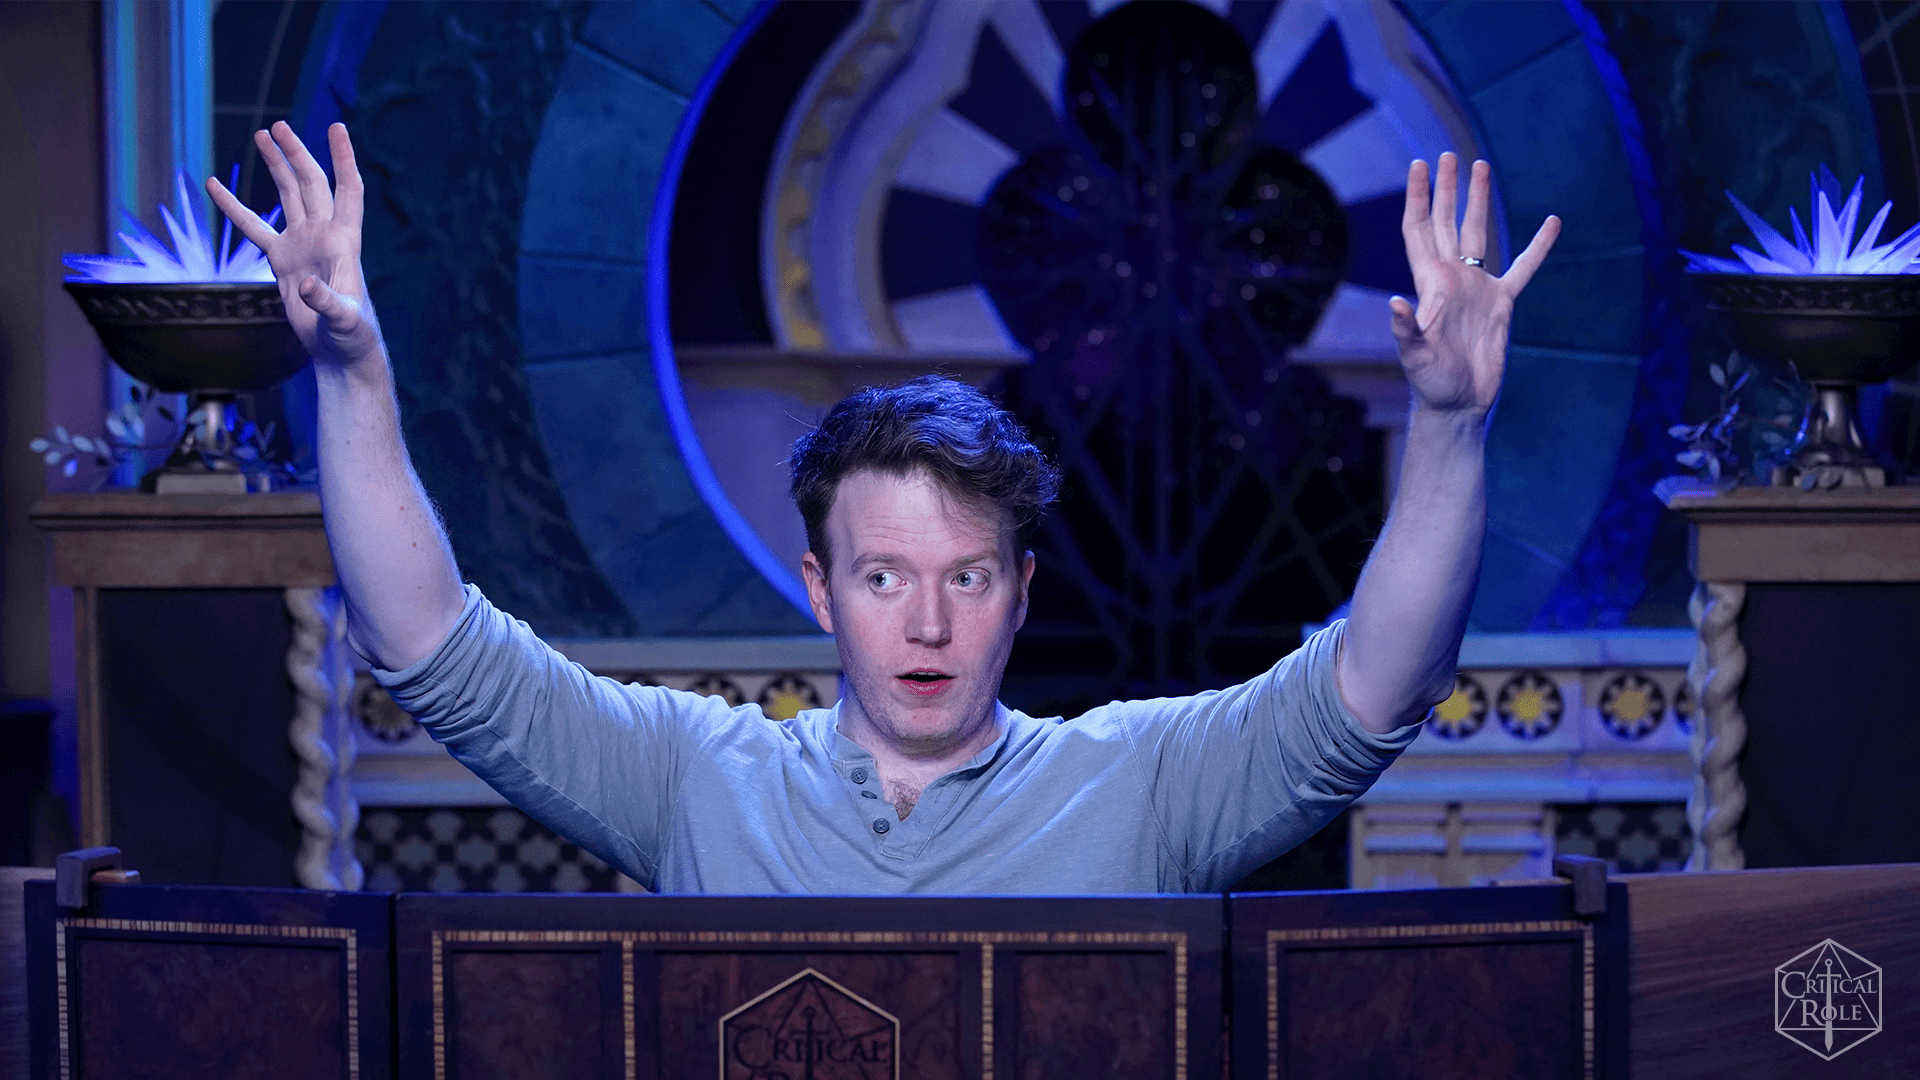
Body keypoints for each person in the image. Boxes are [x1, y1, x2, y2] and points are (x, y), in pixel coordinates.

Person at [209, 122, 1559, 893]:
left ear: (1020, 595)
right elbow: (426, 643)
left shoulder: (1140, 788)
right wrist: (351, 371)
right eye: (882, 576)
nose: (925, 623)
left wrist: (1449, 423)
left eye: (966, 576)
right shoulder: (695, 781)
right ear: (819, 589)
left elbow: (1379, 684)